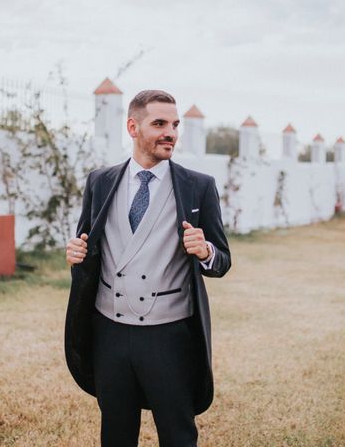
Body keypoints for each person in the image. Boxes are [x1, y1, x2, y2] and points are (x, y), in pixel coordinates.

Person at [64, 89, 231, 447]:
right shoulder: (100, 181)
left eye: (174, 124)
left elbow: (222, 261)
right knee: (116, 435)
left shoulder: (198, 186)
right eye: (159, 124)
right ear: (133, 127)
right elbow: (86, 245)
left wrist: (205, 252)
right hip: (109, 331)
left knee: (177, 435)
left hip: (169, 336)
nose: (170, 132)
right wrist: (77, 252)